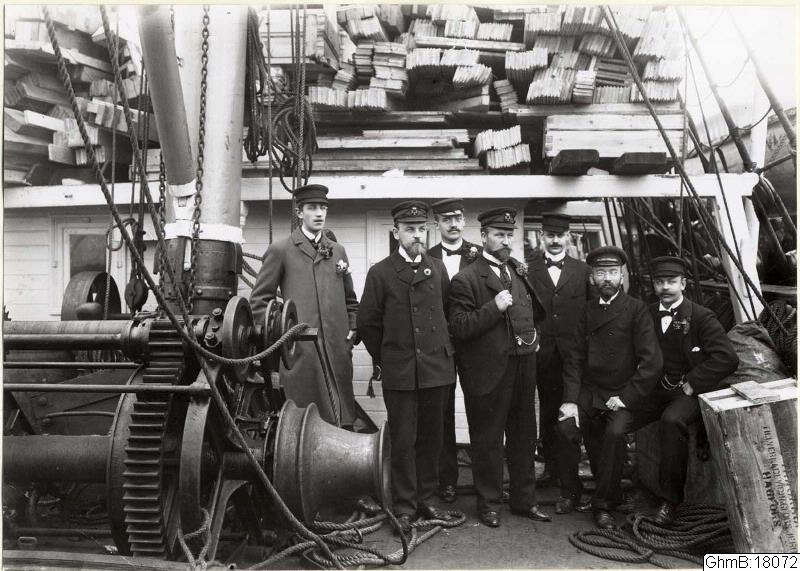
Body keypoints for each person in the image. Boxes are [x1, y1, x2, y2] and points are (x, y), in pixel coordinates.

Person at [448, 207, 551, 528]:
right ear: (483, 237)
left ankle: (524, 501)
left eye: (509, 235)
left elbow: (534, 314)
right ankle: (489, 503)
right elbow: (460, 326)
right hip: (487, 372)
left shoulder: (519, 272)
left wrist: (533, 338)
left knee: (524, 437)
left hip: (523, 366)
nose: (505, 241)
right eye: (498, 235)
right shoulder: (465, 279)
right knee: (488, 440)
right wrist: (494, 307)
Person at [357, 200, 455, 531]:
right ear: (395, 232)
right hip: (401, 372)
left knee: (432, 438)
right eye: (409, 229)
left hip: (436, 371)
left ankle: (426, 499)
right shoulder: (381, 273)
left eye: (420, 229)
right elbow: (368, 323)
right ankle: (404, 505)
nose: (416, 235)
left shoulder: (438, 269)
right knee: (403, 440)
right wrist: (389, 358)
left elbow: (445, 310)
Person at [557, 246, 662, 530]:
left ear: (621, 276)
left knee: (614, 435)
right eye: (601, 272)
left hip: (622, 392)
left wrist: (626, 397)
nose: (607, 278)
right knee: (566, 428)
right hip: (590, 392)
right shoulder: (586, 311)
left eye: (612, 273)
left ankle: (603, 505)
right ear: (592, 277)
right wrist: (570, 400)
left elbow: (651, 362)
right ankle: (572, 492)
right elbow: (574, 359)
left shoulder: (636, 309)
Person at [250, 184, 358, 427]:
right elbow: (259, 302)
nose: (319, 213)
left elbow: (350, 300)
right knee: (304, 425)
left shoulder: (337, 251)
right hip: (301, 354)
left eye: (323, 208)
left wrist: (350, 332)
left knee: (342, 421)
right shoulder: (281, 250)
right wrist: (284, 333)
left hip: (337, 352)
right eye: (312, 208)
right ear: (299, 213)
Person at [641, 256, 739, 523]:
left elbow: (727, 358)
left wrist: (694, 382)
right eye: (660, 282)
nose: (666, 288)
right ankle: (609, 495)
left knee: (672, 421)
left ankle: (669, 502)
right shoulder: (647, 313)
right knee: (617, 416)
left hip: (690, 392)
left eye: (672, 282)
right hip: (656, 388)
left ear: (683, 283)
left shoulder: (702, 316)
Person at [527, 212, 592, 508]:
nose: (555, 240)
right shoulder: (528, 269)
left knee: (571, 412)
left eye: (560, 235)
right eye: (550, 234)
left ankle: (573, 475)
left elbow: (591, 312)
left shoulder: (583, 270)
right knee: (549, 411)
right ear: (542, 236)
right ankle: (552, 469)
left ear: (568, 237)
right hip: (542, 353)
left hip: (575, 354)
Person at [427, 197, 482, 504]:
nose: (453, 224)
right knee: (443, 414)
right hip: (440, 347)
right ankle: (447, 480)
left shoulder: (479, 255)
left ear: (465, 220)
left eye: (458, 218)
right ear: (437, 224)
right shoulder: (426, 255)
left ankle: (485, 480)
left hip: (475, 345)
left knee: (481, 410)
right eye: (446, 219)